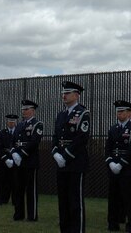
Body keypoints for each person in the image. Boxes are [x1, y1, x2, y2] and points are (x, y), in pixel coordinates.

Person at [52, 81, 90, 233]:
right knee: (63, 201)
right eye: (63, 93)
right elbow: (55, 137)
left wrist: (65, 156)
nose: (64, 95)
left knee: (75, 202)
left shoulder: (82, 113)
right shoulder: (61, 114)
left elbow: (81, 138)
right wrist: (55, 153)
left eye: (67, 93)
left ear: (76, 95)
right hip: (61, 164)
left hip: (75, 162)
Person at [105, 100, 131, 232]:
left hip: (128, 168)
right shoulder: (113, 128)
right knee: (113, 197)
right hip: (113, 168)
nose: (119, 114)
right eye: (118, 111)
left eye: (122, 111)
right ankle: (112, 223)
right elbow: (108, 148)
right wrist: (110, 162)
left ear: (130, 113)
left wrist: (120, 164)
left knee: (129, 198)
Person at [11, 99, 43, 222]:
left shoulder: (37, 124)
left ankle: (32, 216)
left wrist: (21, 154)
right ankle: (18, 214)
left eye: (26, 109)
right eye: (23, 109)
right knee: (18, 189)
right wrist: (14, 153)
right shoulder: (19, 125)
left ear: (33, 110)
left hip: (30, 161)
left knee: (31, 190)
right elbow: (13, 141)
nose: (23, 111)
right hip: (18, 162)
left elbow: (34, 142)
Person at [0, 113, 18, 205]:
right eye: (9, 122)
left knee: (15, 181)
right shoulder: (2, 132)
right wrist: (6, 159)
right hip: (4, 160)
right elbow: (0, 147)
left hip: (15, 160)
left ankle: (15, 201)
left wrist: (14, 159)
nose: (11, 123)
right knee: (2, 181)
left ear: (15, 122)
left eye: (13, 122)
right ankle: (1, 200)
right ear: (7, 122)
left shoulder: (18, 132)